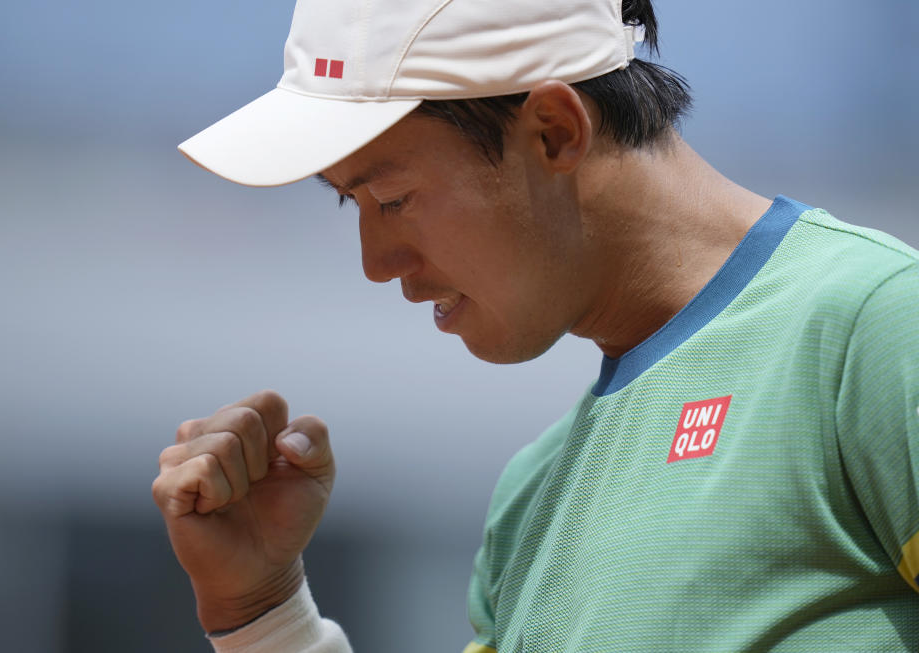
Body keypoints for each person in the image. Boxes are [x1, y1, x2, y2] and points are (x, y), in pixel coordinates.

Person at [152, 0, 919, 650]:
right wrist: (263, 611)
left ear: (554, 130)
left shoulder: (876, 329)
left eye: (391, 198)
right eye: (349, 203)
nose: (375, 263)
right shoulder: (529, 501)